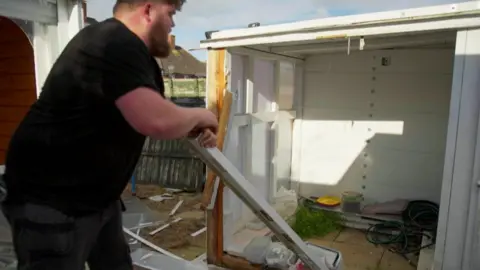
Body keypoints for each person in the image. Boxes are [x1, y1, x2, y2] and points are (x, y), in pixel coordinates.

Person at [1, 0, 218, 269]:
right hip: (52, 201)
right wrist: (202, 115)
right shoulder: (113, 41)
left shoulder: (131, 53)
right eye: (171, 13)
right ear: (148, 10)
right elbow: (156, 121)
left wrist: (191, 127)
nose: (173, 23)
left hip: (98, 197)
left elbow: (146, 113)